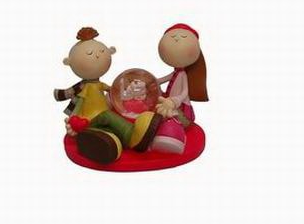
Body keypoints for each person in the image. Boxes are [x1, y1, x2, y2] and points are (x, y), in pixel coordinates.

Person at [54, 28, 162, 164]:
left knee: (109, 121)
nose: (98, 56)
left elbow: (113, 90)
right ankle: (131, 136)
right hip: (89, 121)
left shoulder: (99, 85)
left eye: (102, 51)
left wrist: (127, 91)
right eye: (90, 53)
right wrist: (72, 124)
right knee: (107, 115)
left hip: (97, 122)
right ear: (69, 62)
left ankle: (111, 140)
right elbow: (77, 106)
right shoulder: (83, 89)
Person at [151, 24, 208, 154]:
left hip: (178, 105)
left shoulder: (183, 75)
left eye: (182, 37)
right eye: (173, 37)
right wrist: (154, 81)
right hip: (169, 101)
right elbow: (166, 78)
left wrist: (174, 101)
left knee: (172, 117)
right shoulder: (176, 72)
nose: (176, 39)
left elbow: (184, 93)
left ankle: (173, 135)